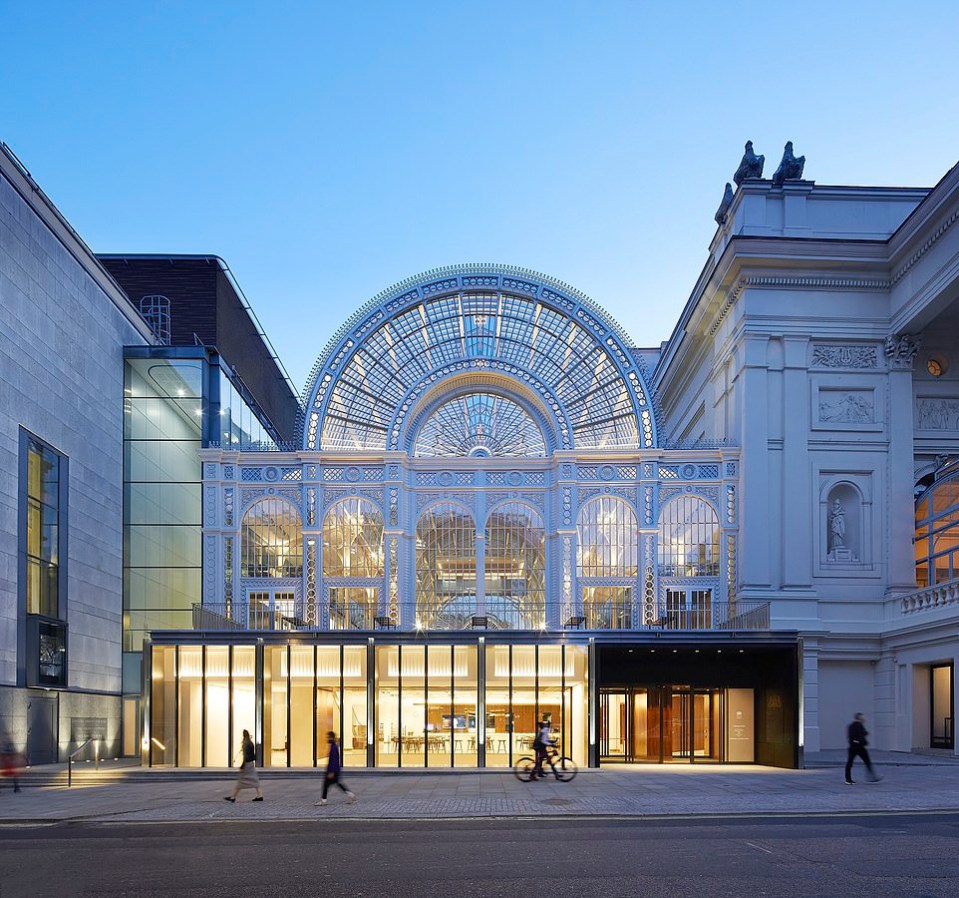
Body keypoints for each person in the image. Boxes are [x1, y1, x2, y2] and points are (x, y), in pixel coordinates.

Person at [316, 731, 355, 805]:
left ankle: (324, 800)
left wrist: (331, 772)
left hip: (332, 770)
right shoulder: (334, 746)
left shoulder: (334, 747)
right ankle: (350, 794)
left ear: (331, 737)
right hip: (334, 770)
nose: (327, 738)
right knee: (336, 784)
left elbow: (334, 760)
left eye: (328, 737)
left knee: (326, 785)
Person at [225, 729, 263, 802]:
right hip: (251, 763)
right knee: (255, 779)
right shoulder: (250, 742)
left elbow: (245, 756)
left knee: (241, 781)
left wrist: (242, 765)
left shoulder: (245, 743)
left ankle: (233, 797)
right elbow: (253, 754)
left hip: (247, 764)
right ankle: (260, 795)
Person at [845, 712, 882, 784]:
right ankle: (872, 777)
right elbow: (858, 735)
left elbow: (855, 735)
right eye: (863, 717)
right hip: (858, 747)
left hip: (854, 747)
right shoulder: (857, 725)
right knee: (866, 762)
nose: (864, 719)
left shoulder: (853, 725)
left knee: (851, 763)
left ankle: (848, 779)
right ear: (859, 718)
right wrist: (859, 740)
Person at [531, 715, 552, 781]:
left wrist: (551, 742)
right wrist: (551, 744)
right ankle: (533, 774)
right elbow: (543, 740)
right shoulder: (545, 731)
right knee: (544, 760)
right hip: (540, 747)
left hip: (540, 747)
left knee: (541, 760)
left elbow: (544, 739)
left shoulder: (543, 731)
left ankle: (540, 772)